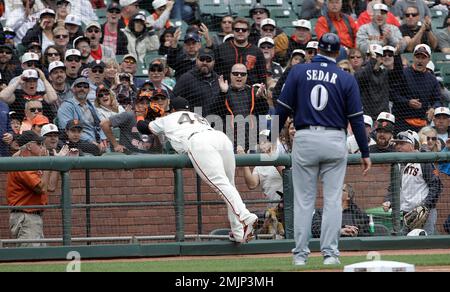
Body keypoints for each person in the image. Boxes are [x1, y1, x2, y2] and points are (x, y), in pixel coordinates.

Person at [276, 33, 371, 266]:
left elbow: (281, 109)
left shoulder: (298, 71)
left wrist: (268, 137)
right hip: (334, 138)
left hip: (305, 136)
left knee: (303, 201)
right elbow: (357, 120)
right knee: (332, 201)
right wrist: (365, 151)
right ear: (338, 52)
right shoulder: (345, 77)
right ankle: (330, 254)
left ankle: (300, 255)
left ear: (317, 49)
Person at [139, 97, 259, 243]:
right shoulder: (198, 116)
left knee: (221, 185)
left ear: (173, 109)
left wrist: (140, 116)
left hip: (199, 142)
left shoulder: (169, 117)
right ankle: (239, 232)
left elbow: (143, 127)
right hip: (220, 138)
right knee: (229, 185)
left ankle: (246, 217)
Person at [383, 131, 442, 235]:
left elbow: (437, 186)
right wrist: (388, 200)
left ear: (412, 145)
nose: (398, 147)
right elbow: (393, 188)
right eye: (396, 144)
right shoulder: (397, 164)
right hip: (406, 215)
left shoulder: (424, 161)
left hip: (424, 213)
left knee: (426, 245)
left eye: (402, 144)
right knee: (404, 245)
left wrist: (425, 205)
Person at [6, 130, 53, 247]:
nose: (42, 147)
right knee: (29, 258)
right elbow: (41, 188)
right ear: (29, 146)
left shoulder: (32, 163)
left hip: (32, 217)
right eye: (39, 144)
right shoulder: (23, 163)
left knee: (39, 259)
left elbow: (50, 187)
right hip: (26, 216)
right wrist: (48, 163)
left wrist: (56, 162)